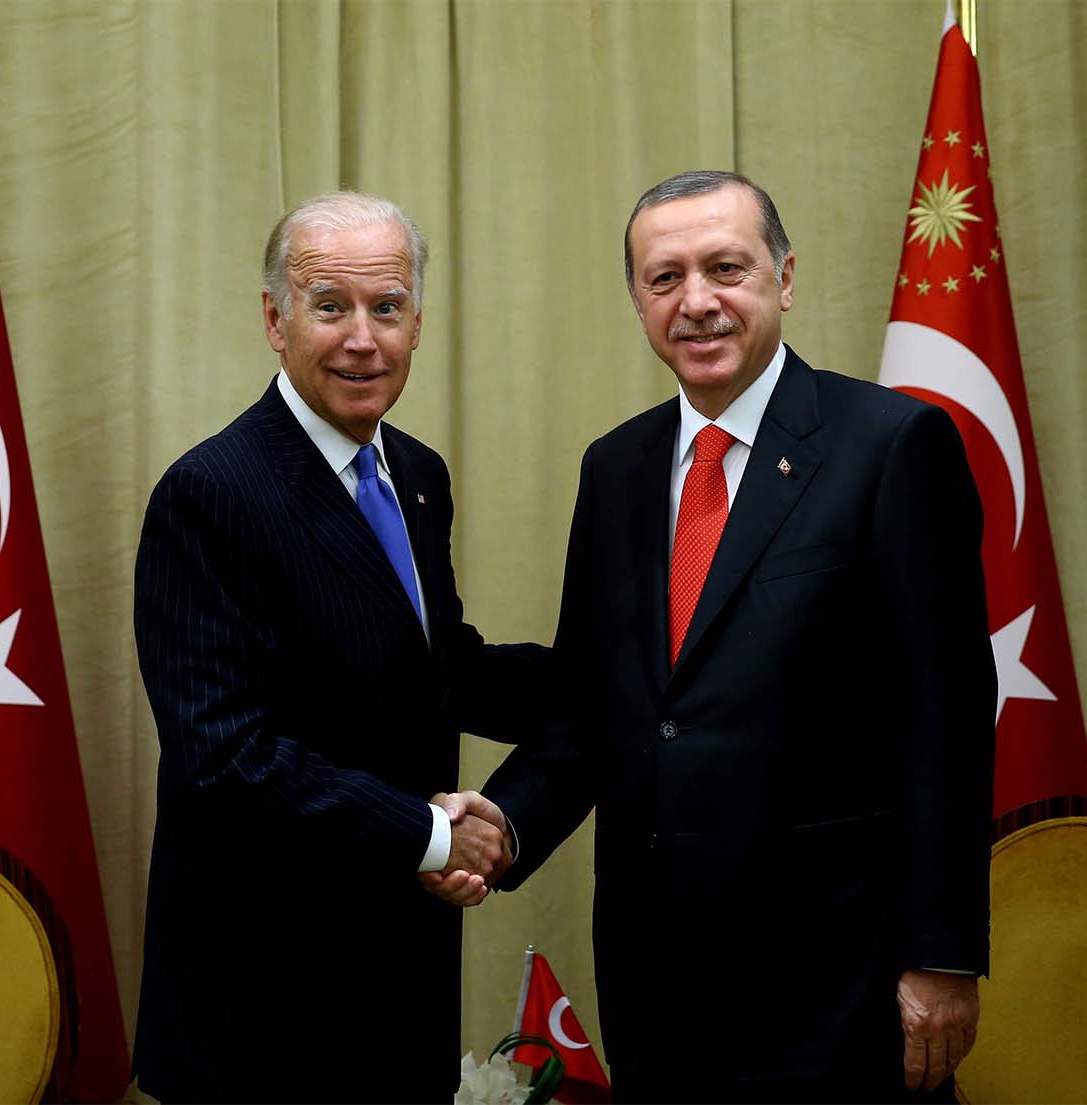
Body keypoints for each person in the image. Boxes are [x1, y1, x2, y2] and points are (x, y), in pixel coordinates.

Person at [430, 170, 996, 1101]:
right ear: (637, 300)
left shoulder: (891, 445)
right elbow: (600, 702)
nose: (697, 302)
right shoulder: (615, 468)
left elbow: (949, 718)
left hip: (837, 984)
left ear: (784, 276)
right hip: (658, 986)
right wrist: (508, 821)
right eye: (665, 279)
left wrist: (943, 958)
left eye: (725, 268)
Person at [132, 191, 538, 1103]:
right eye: (331, 306)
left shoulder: (419, 475)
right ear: (275, 320)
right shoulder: (209, 493)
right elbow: (224, 755)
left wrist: (628, 672)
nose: (364, 338)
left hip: (399, 975)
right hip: (262, 1002)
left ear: (418, 323)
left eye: (386, 307)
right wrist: (436, 834)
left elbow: (434, 668)